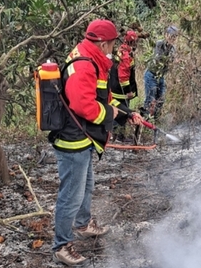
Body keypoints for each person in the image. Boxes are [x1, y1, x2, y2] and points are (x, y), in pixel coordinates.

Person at [49, 19, 143, 266]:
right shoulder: (84, 66)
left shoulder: (94, 58)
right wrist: (110, 115)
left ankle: (83, 223)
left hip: (84, 138)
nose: (114, 47)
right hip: (73, 141)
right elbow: (85, 106)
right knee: (71, 195)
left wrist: (125, 113)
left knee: (86, 186)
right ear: (102, 43)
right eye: (112, 43)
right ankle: (61, 245)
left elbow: (103, 97)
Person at [141, 25, 179, 120]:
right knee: (151, 100)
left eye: (174, 37)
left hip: (160, 76)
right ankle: (145, 121)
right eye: (171, 36)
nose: (172, 39)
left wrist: (175, 62)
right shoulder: (160, 44)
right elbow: (159, 59)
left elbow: (172, 62)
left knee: (161, 99)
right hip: (151, 75)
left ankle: (155, 121)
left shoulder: (173, 49)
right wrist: (170, 60)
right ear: (166, 35)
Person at [109, 30, 139, 142]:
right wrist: (129, 91)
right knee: (122, 112)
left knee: (117, 112)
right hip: (121, 92)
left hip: (114, 88)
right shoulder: (126, 55)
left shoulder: (121, 50)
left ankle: (115, 136)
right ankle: (118, 137)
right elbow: (124, 77)